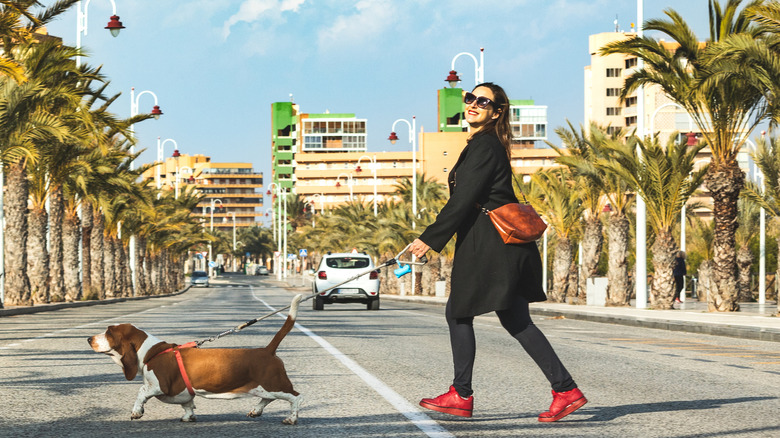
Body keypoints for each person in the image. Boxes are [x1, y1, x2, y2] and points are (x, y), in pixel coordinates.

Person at [408, 83, 587, 422]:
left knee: (459, 312)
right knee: (516, 320)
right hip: (501, 246)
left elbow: (462, 201)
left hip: (491, 246)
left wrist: (430, 238)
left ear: (497, 111)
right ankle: (566, 391)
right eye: (470, 98)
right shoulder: (483, 144)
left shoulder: (486, 145)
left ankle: (461, 395)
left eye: (483, 101)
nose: (473, 104)